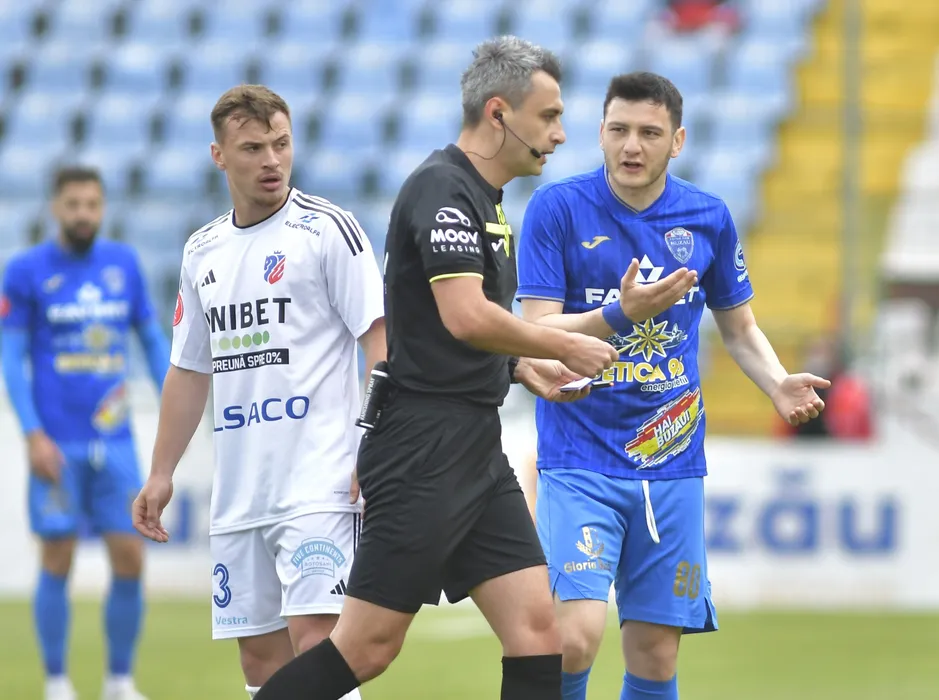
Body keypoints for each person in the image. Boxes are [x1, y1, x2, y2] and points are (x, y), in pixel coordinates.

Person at [251, 36, 619, 700]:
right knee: (367, 647)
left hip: (474, 441)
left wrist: (515, 366)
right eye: (549, 116)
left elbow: (443, 328)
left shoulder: (486, 199)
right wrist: (557, 347)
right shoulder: (441, 189)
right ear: (499, 113)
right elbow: (464, 316)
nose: (561, 134)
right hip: (421, 446)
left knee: (540, 634)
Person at [515, 72, 830, 700]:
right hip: (578, 456)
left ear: (677, 140)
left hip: (671, 459)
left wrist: (776, 383)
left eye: (649, 133)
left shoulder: (708, 217)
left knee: (656, 655)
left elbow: (739, 328)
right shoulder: (557, 208)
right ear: (600, 133)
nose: (632, 145)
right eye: (619, 130)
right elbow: (536, 329)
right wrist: (619, 313)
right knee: (573, 637)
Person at [131, 85, 385, 700]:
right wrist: (161, 471)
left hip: (320, 482)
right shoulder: (202, 251)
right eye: (252, 148)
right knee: (260, 664)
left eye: (281, 144)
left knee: (319, 647)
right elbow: (189, 369)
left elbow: (381, 341)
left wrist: (373, 442)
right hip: (241, 492)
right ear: (219, 155)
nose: (272, 160)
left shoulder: (326, 230)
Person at [1, 166, 170, 700]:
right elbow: (11, 356)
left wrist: (175, 408)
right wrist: (32, 434)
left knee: (130, 557)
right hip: (57, 443)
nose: (83, 214)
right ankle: (57, 682)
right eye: (73, 204)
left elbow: (152, 341)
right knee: (58, 557)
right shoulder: (25, 271)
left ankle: (119, 681)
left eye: (92, 205)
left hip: (116, 442)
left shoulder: (124, 265)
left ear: (102, 208)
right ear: (56, 208)